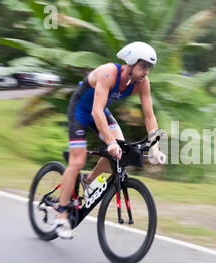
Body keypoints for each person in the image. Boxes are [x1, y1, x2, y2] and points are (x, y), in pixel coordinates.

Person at [54, 41, 166, 239]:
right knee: (78, 160)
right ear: (130, 64)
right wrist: (110, 141)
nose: (145, 72)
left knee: (120, 150)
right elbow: (95, 110)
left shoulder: (142, 82)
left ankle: (88, 179)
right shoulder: (108, 73)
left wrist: (155, 147)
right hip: (81, 110)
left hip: (100, 112)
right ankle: (61, 214)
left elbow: (149, 116)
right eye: (142, 67)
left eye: (148, 68)